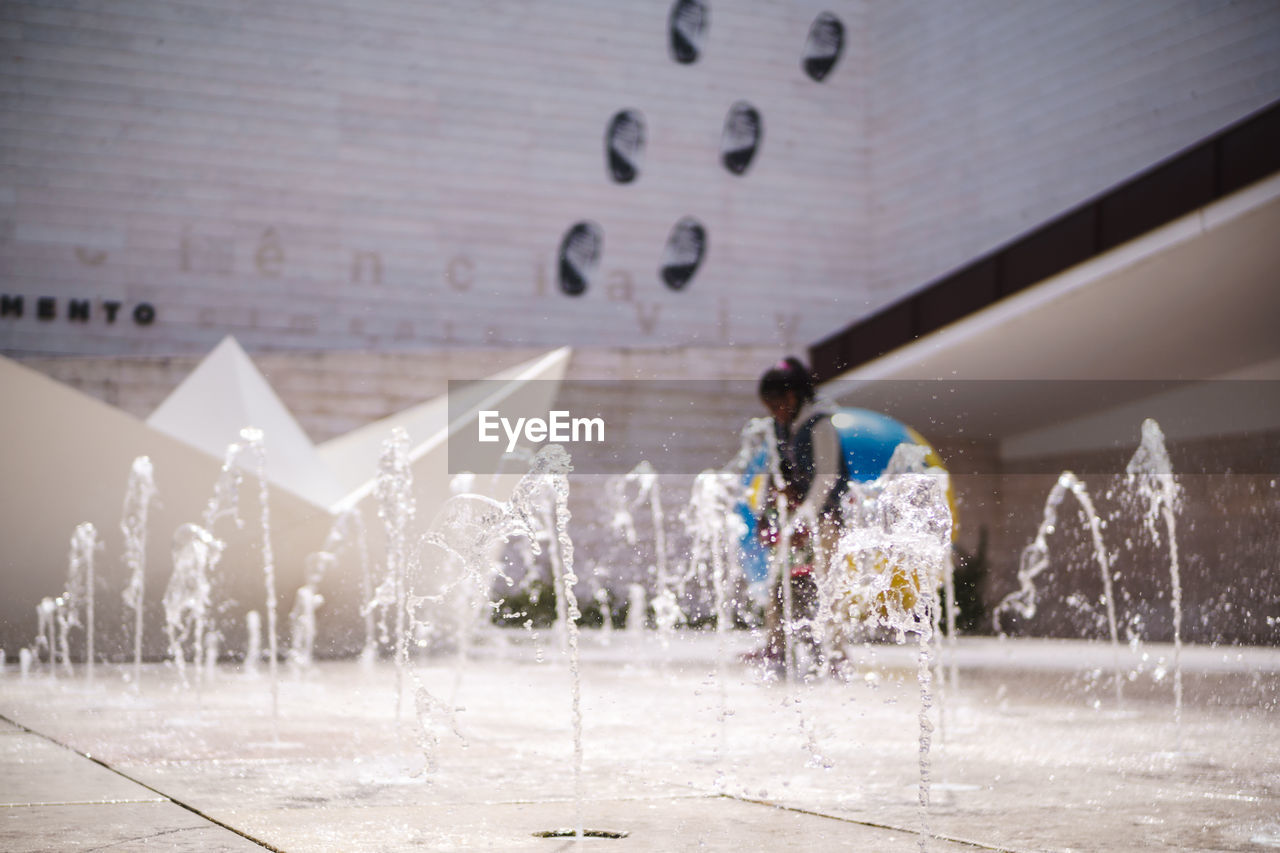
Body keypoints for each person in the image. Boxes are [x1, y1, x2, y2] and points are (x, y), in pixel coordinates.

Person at [754, 357, 847, 677]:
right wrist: (762, 515)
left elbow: (827, 476)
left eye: (776, 404)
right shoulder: (780, 428)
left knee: (826, 586)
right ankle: (775, 646)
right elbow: (772, 474)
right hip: (795, 518)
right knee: (779, 582)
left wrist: (805, 519)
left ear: (792, 397)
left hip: (825, 519)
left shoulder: (819, 424)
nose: (773, 412)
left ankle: (835, 655)